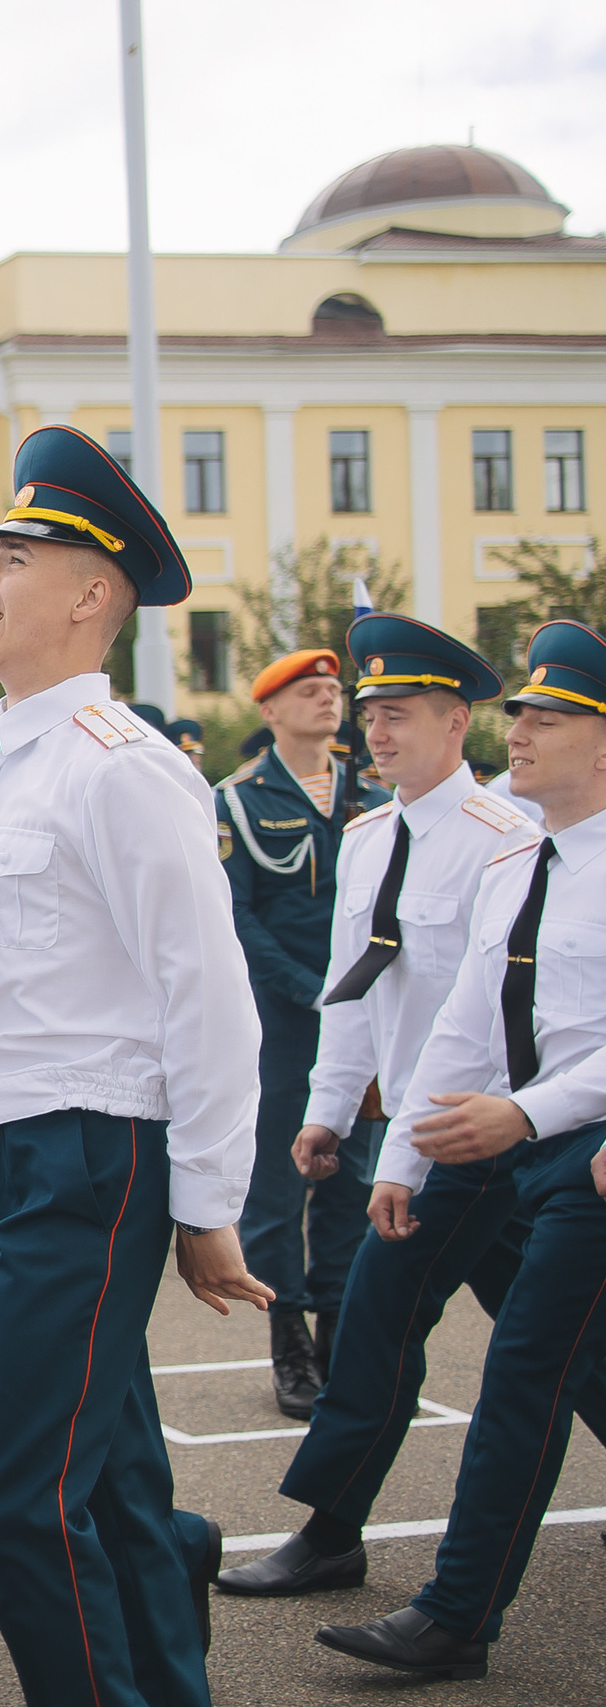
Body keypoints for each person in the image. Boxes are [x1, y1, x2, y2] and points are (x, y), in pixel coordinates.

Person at [0, 425, 268, 1707]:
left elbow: (208, 993)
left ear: (92, 593)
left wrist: (209, 1203)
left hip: (84, 1149)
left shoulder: (129, 774)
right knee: (114, 1486)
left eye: (17, 554)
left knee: (17, 1503)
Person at [221, 615, 596, 1603]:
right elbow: (358, 993)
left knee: (557, 1345)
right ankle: (331, 1528)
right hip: (431, 1139)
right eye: (369, 715)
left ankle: (391, 1559)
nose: (373, 734)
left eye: (395, 715)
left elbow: (513, 1010)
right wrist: (329, 1112)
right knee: (383, 1319)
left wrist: (520, 1121)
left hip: (524, 1135)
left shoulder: (508, 842)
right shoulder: (367, 840)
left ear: (454, 723)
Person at [311, 618, 606, 1679]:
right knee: (570, 1355)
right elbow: (464, 1023)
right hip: (519, 1137)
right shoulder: (524, 857)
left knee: (525, 1367)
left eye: (547, 717)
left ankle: (453, 1616)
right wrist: (399, 1159)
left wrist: (528, 1116)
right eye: (519, 712)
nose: (518, 731)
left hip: (583, 1146)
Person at [215, 646, 391, 1416]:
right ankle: (290, 1344)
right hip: (284, 1023)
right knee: (281, 1186)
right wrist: (309, 990)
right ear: (270, 710)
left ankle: (339, 1334)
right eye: (308, 691)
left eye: (331, 690)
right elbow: (238, 915)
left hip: (362, 1020)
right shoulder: (241, 801)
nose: (327, 700)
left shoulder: (374, 796)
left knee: (352, 1180)